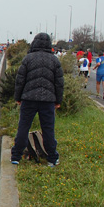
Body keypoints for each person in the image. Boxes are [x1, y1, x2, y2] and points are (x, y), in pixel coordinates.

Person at [10, 33, 64, 167]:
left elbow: (20, 80)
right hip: (48, 99)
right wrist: (58, 100)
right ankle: (52, 157)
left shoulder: (28, 59)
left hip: (28, 98)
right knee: (48, 129)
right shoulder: (54, 60)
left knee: (23, 126)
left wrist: (18, 97)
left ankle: (16, 155)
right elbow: (59, 83)